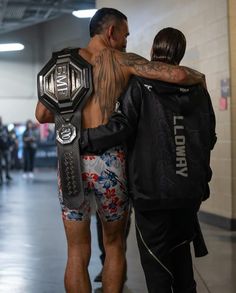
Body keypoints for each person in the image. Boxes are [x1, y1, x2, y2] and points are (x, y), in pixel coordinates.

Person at [35, 8, 205, 293]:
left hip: (71, 159)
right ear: (111, 32)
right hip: (110, 162)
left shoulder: (62, 62)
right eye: (125, 35)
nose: (127, 41)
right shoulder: (122, 60)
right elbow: (174, 74)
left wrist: (75, 114)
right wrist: (198, 76)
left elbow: (41, 115)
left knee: (76, 250)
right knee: (114, 245)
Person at [79, 27, 217, 293]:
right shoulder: (199, 90)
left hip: (151, 196)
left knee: (157, 268)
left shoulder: (141, 85)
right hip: (189, 194)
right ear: (180, 52)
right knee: (181, 259)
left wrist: (82, 138)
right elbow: (209, 138)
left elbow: (120, 126)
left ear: (154, 51)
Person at [0, 116, 12, 185]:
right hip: (0, 149)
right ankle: (1, 177)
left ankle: (7, 175)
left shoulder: (5, 127)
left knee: (8, 162)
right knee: (0, 164)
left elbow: (9, 136)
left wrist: (10, 145)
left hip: (6, 148)